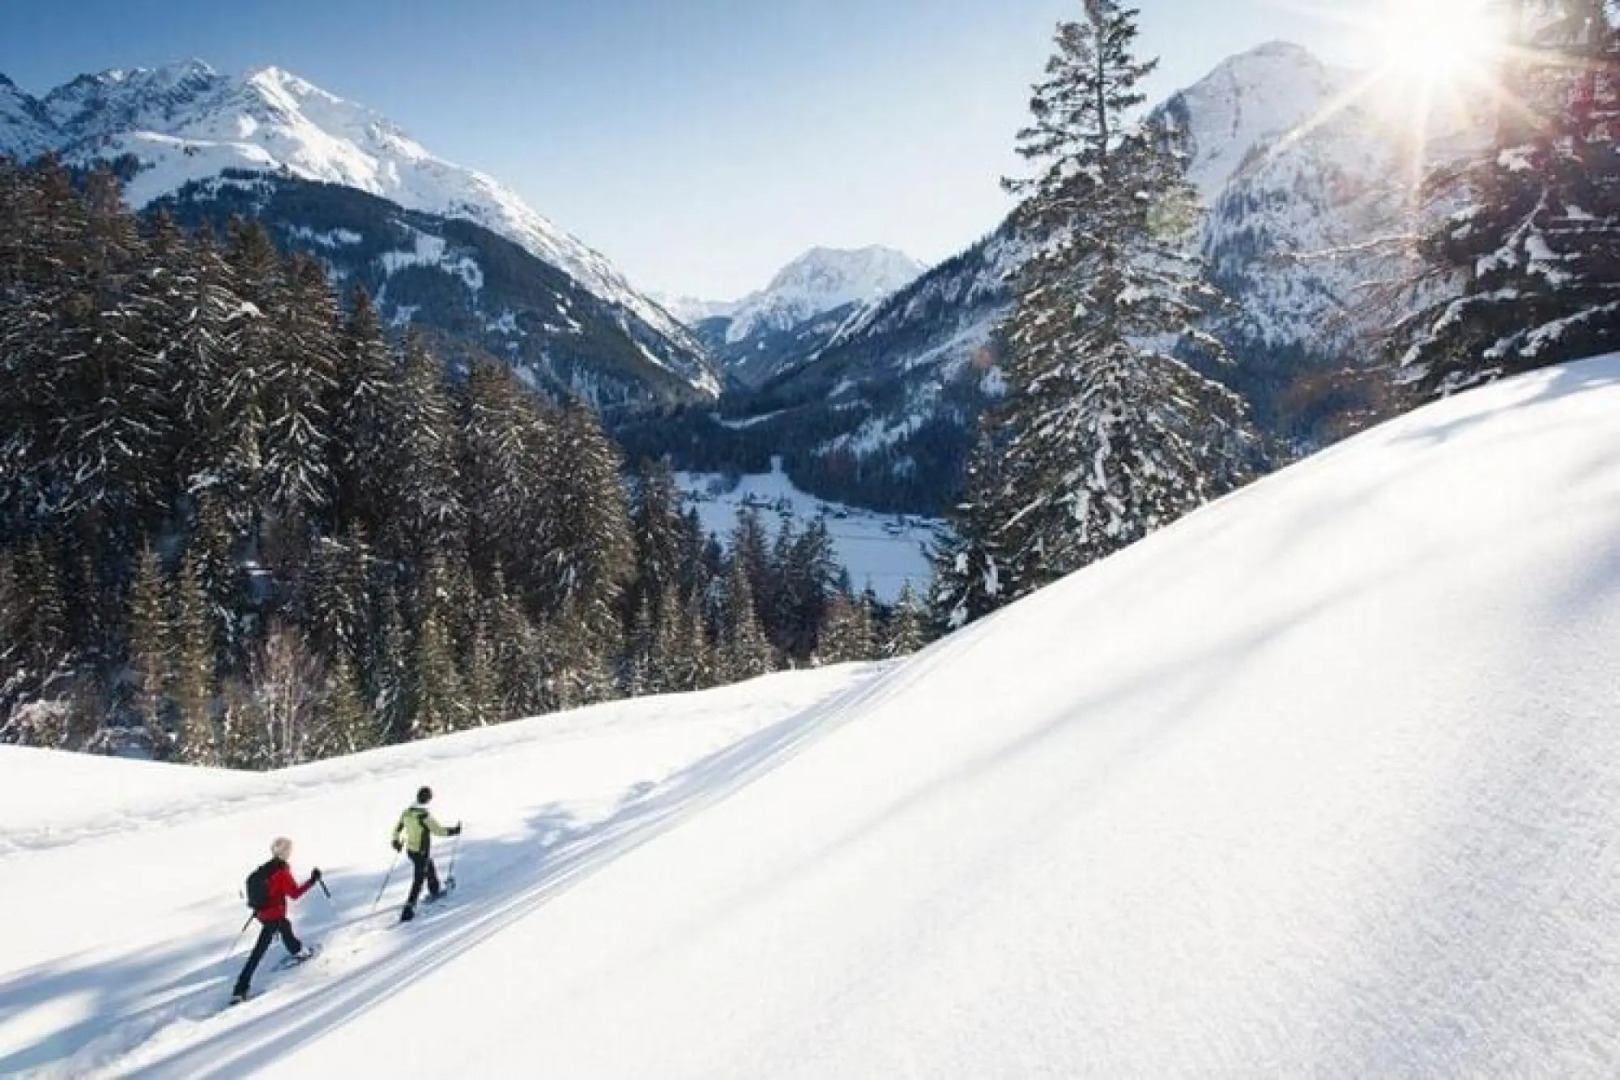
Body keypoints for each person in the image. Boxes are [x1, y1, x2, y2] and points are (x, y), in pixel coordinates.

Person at [232, 837, 321, 1003]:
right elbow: (294, 894)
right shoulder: (281, 872)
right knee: (258, 951)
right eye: (289, 849)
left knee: (285, 927)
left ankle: (298, 950)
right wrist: (312, 880)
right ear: (285, 852)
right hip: (273, 915)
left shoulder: (266, 868)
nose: (290, 852)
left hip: (262, 914)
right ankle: (240, 989)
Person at [392, 785, 461, 922]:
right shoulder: (423, 816)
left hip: (411, 850)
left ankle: (434, 890)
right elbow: (438, 831)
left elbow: (397, 828)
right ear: (427, 799)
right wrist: (455, 830)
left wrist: (396, 842)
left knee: (429, 866)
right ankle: (408, 909)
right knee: (418, 880)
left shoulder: (407, 812)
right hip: (421, 851)